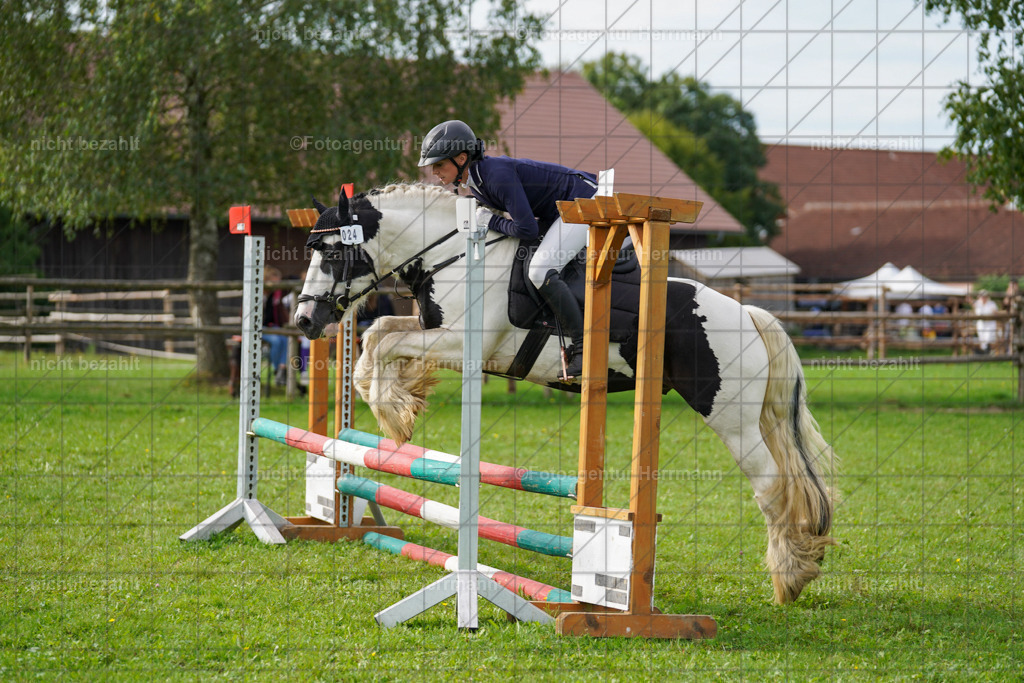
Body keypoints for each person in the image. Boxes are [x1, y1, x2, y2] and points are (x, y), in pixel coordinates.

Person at [418, 120, 597, 379]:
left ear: (461, 158)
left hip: (584, 202)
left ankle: (583, 350)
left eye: (439, 164)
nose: (434, 172)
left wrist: (491, 220)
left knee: (540, 270)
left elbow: (526, 229)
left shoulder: (495, 175)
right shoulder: (476, 181)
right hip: (560, 210)